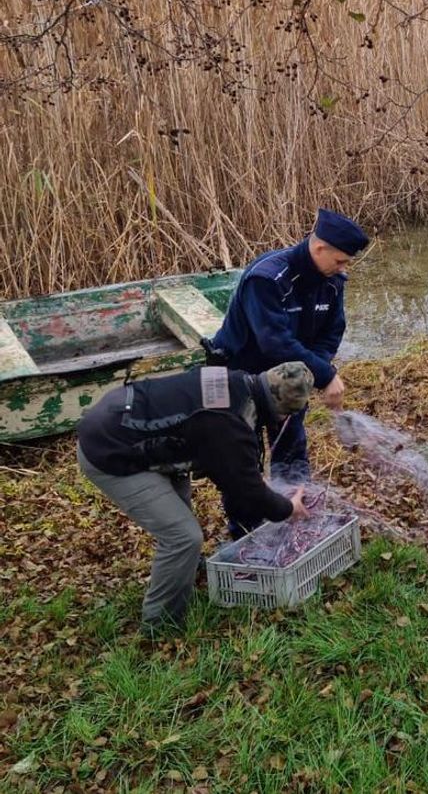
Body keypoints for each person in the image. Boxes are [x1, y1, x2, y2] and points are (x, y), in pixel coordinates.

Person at [77, 362, 315, 634]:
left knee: (180, 520)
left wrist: (246, 474)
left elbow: (224, 458)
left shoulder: (235, 380)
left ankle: (183, 570)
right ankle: (159, 627)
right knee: (183, 537)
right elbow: (244, 488)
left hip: (130, 422)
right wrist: (287, 508)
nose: (284, 421)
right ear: (276, 406)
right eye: (285, 414)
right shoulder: (228, 423)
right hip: (111, 448)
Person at [208, 207, 369, 482]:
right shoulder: (267, 279)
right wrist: (326, 375)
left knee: (292, 446)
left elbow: (332, 332)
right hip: (237, 374)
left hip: (290, 375)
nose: (344, 269)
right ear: (319, 248)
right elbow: (275, 343)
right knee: (241, 457)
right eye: (340, 261)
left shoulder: (332, 282)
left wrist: (308, 375)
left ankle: (296, 506)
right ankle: (245, 524)